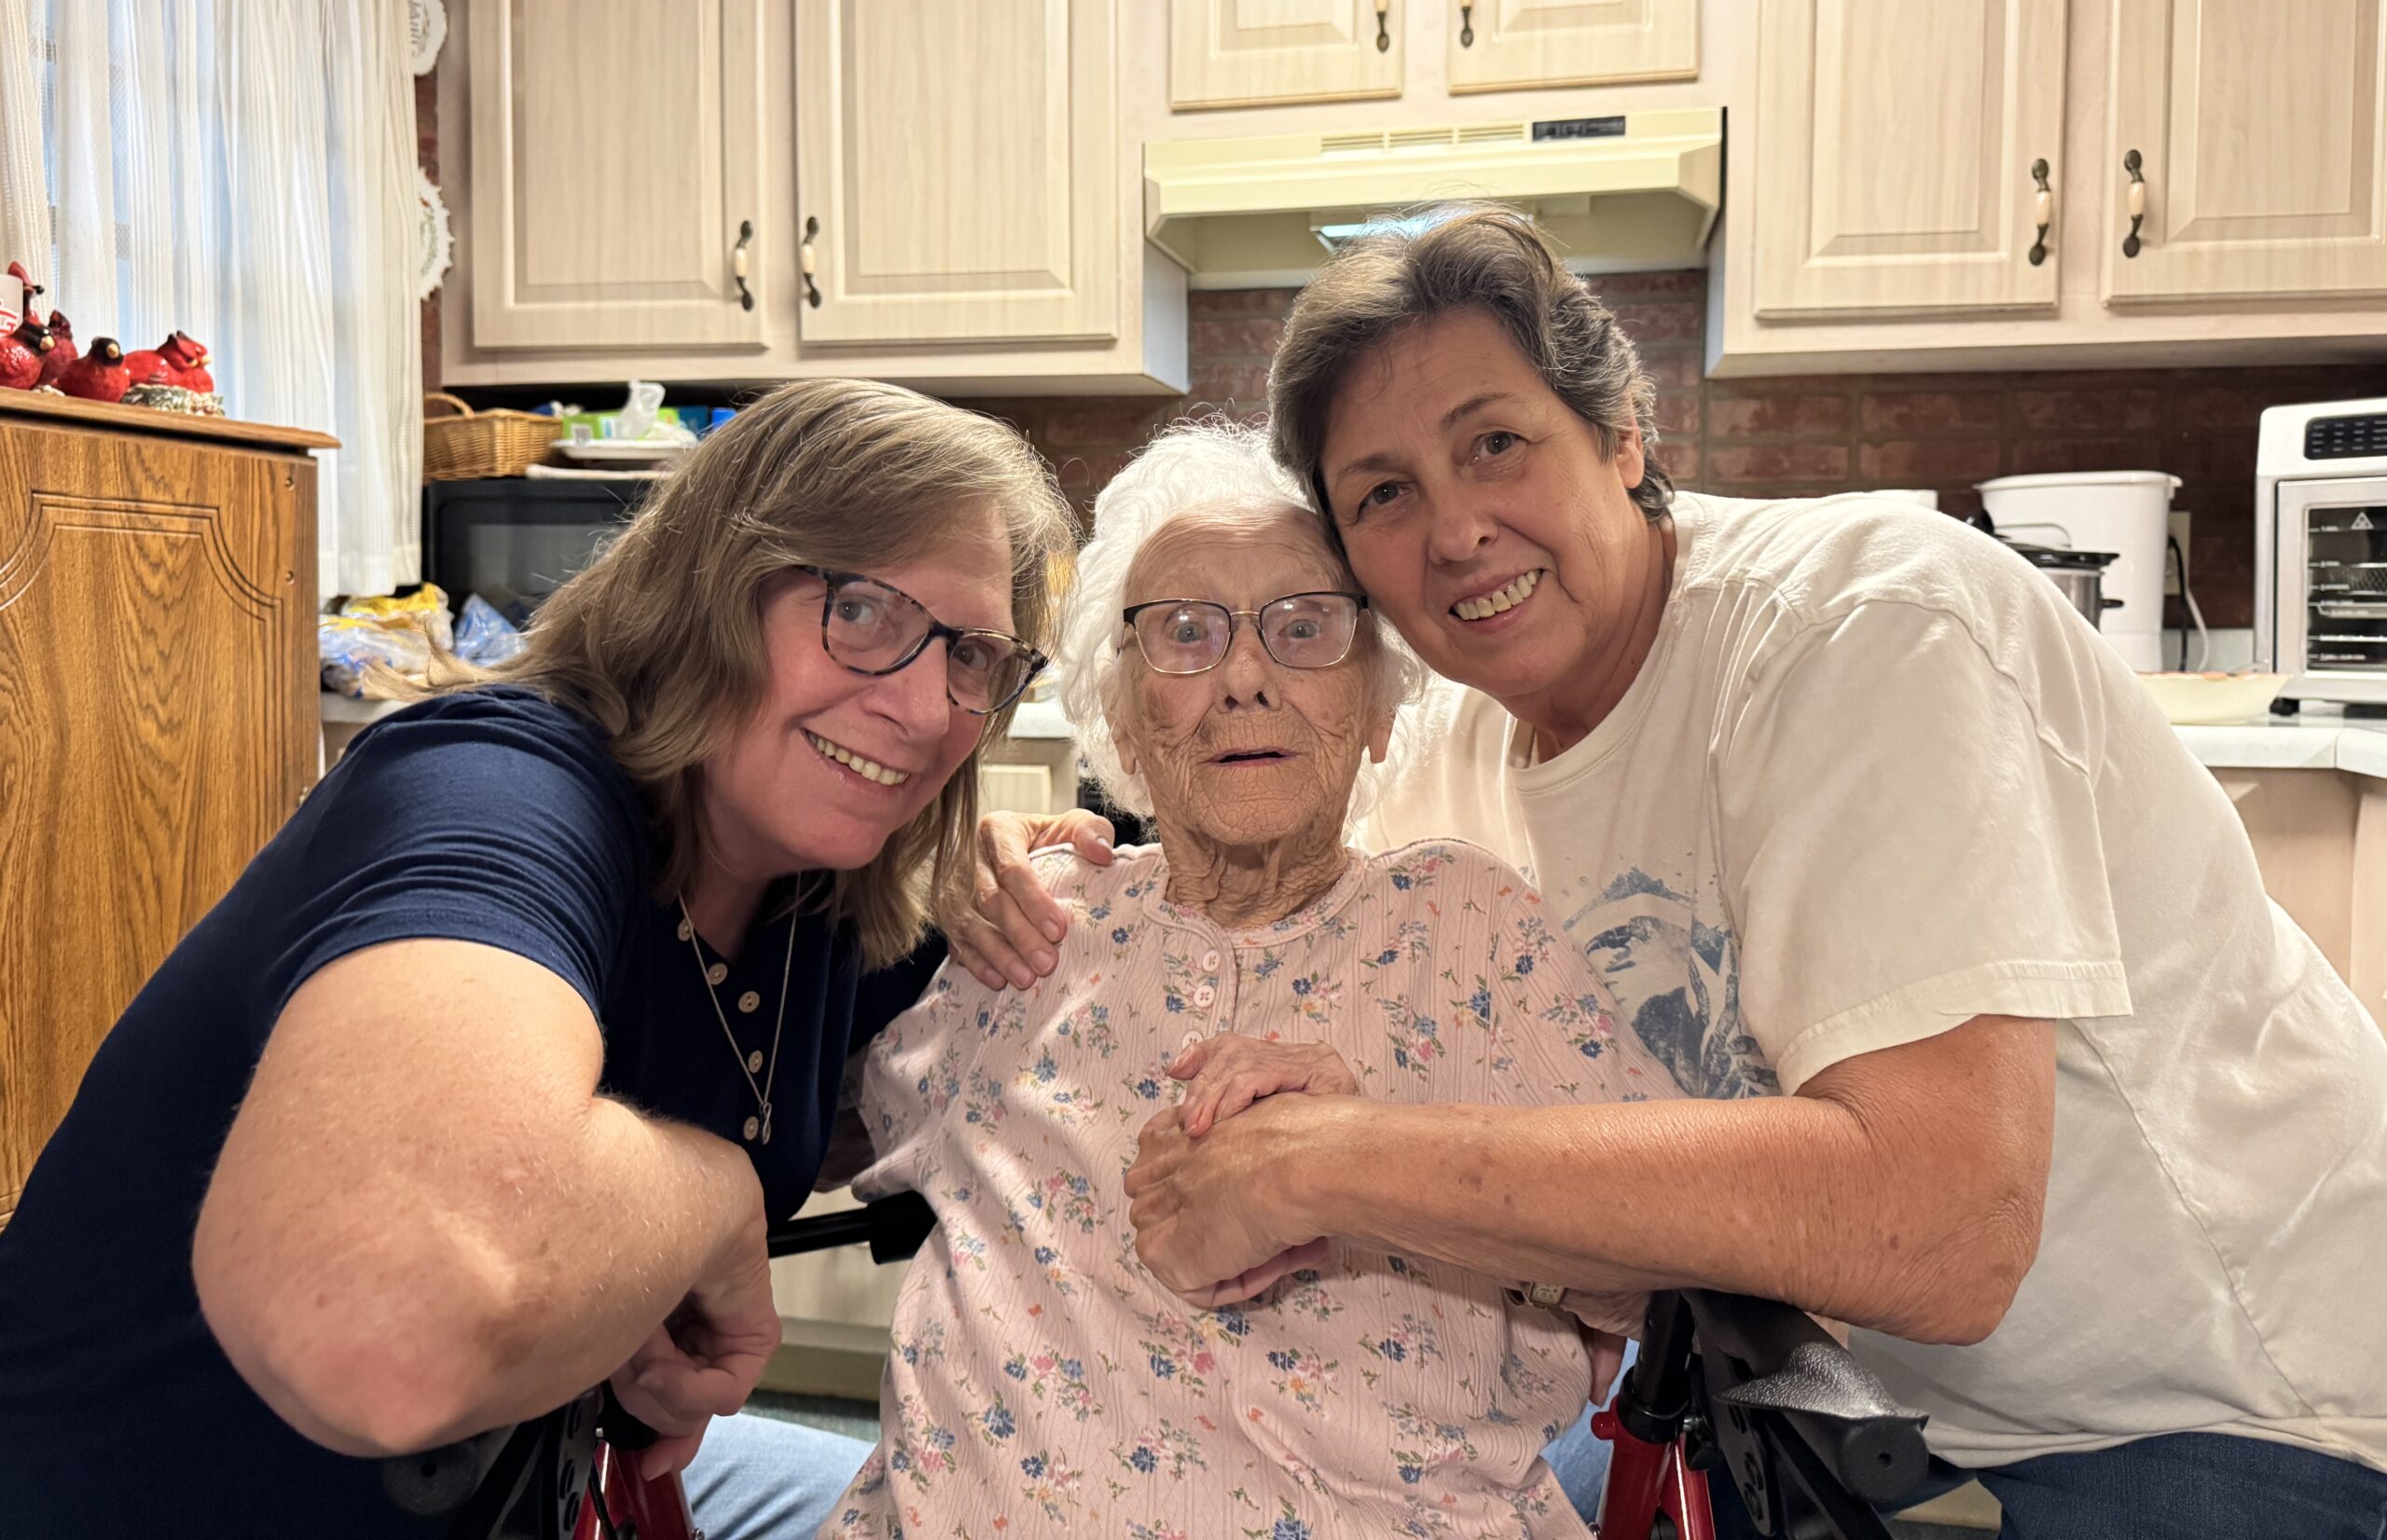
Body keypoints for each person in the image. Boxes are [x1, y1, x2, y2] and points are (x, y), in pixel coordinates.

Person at [958, 208, 2387, 1539]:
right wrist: (1045, 874)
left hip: (2230, 1385)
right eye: (1385, 492)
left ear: (1625, 436)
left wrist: (1318, 1163)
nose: (1455, 530)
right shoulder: (1462, 737)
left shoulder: (1867, 632)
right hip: (1827, 1361)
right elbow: (1270, 898)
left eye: (1496, 443)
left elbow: (1942, 1229)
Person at [0, 379, 1075, 1539]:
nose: (924, 708)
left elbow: (882, 1093)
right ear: (709, 588)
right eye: (860, 611)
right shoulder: (494, 792)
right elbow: (378, 1331)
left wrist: (1050, 885)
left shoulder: (805, 881)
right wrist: (716, 1195)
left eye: (975, 657)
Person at [825, 424, 1670, 1538]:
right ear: (1120, 717)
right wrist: (913, 884)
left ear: (1379, 705)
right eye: (1185, 633)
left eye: (1304, 627)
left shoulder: (1464, 924)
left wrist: (1373, 1162)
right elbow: (815, 1126)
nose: (1243, 679)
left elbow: (1667, 1278)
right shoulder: (1037, 925)